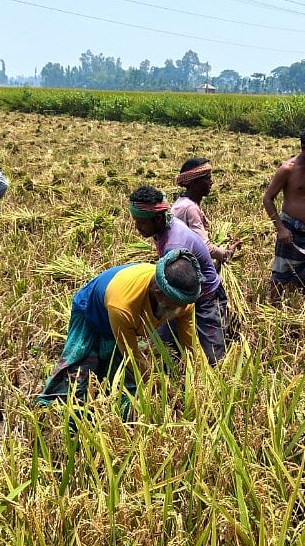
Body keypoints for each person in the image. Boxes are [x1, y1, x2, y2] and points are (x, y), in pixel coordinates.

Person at [37, 249, 202, 408]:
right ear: (159, 294)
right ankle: (50, 410)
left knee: (125, 384)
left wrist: (197, 381)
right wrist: (160, 386)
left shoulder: (183, 301)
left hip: (123, 326)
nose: (183, 308)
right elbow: (131, 356)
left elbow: (190, 345)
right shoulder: (124, 306)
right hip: (91, 313)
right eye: (178, 305)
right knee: (77, 381)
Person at [129, 185, 230, 365]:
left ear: (158, 217)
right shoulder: (167, 225)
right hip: (181, 292)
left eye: (141, 222)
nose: (137, 227)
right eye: (135, 221)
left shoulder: (174, 245)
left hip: (205, 297)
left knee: (213, 357)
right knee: (159, 344)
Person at [262, 124, 305, 303]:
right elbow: (268, 199)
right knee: (282, 273)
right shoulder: (288, 169)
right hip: (291, 229)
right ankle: (274, 308)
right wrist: (280, 229)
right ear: (304, 148)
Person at [171, 158, 241, 269]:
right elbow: (205, 247)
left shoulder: (184, 202)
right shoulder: (189, 208)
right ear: (194, 182)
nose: (211, 182)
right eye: (207, 179)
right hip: (186, 268)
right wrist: (226, 254)